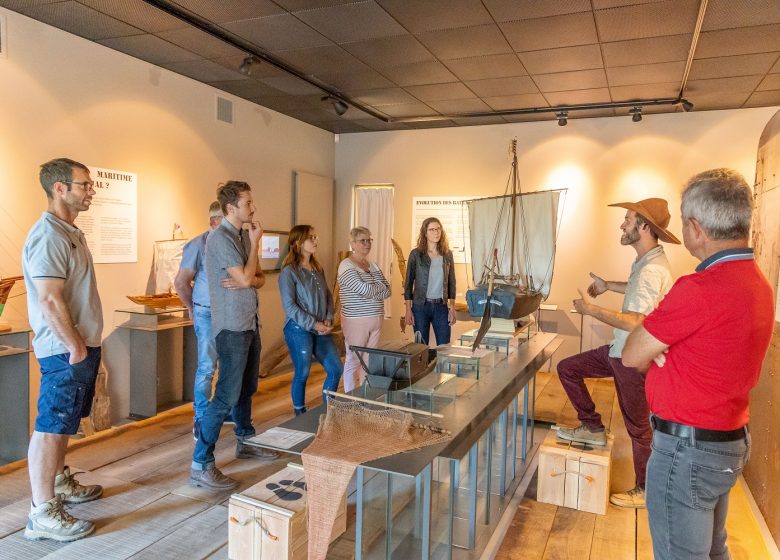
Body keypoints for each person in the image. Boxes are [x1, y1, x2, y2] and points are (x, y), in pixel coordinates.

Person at [623, 169, 774, 559]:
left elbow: (632, 352)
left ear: (695, 228)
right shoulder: (758, 283)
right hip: (727, 439)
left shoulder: (698, 289)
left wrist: (659, 345)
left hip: (687, 449)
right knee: (712, 549)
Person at [556, 198, 681, 509]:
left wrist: (589, 309)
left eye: (628, 220)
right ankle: (593, 428)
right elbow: (636, 289)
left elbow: (637, 319)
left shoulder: (652, 269)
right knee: (568, 368)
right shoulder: (647, 261)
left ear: (643, 227)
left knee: (639, 428)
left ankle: (645, 490)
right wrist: (607, 285)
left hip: (632, 357)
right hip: (619, 350)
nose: (622, 225)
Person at [22, 158, 104, 541]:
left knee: (63, 424)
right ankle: (41, 513)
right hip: (63, 349)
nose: (90, 191)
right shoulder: (50, 235)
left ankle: (58, 482)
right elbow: (49, 300)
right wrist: (74, 346)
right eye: (84, 184)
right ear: (59, 188)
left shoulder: (69, 231)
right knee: (50, 429)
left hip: (77, 346)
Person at [190, 181, 277, 492]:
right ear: (231, 208)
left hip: (249, 322)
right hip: (231, 326)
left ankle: (245, 440)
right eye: (247, 203)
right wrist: (255, 249)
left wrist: (248, 277)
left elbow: (258, 278)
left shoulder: (241, 235)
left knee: (247, 388)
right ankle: (201, 462)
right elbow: (244, 276)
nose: (252, 208)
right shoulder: (221, 238)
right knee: (225, 394)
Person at [174, 201, 235, 437]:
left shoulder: (232, 242)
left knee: (229, 365)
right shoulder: (198, 244)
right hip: (207, 311)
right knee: (207, 366)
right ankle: (200, 417)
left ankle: (221, 409)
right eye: (224, 218)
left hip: (229, 312)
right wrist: (192, 307)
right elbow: (181, 282)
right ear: (213, 221)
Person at [279, 225, 343, 415]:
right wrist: (314, 324)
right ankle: (300, 413)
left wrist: (329, 318)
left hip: (322, 328)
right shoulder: (288, 272)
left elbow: (328, 296)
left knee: (335, 368)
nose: (316, 241)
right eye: (311, 238)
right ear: (298, 242)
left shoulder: (317, 268)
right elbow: (290, 307)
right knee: (303, 372)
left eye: (316, 237)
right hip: (298, 329)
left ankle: (328, 411)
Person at [337, 226, 391, 392]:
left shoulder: (372, 265)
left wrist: (373, 288)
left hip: (376, 319)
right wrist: (377, 288)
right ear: (352, 243)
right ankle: (350, 398)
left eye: (369, 240)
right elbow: (365, 290)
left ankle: (364, 396)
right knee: (354, 360)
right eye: (363, 240)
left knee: (369, 361)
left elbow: (388, 290)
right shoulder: (346, 265)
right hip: (356, 321)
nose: (367, 244)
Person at [404, 217, 456, 345]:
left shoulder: (447, 254)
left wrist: (452, 307)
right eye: (432, 229)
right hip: (420, 306)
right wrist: (408, 310)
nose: (436, 232)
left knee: (444, 346)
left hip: (441, 307)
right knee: (420, 348)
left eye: (438, 229)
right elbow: (408, 284)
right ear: (425, 233)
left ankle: (441, 366)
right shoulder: (416, 254)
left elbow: (452, 283)